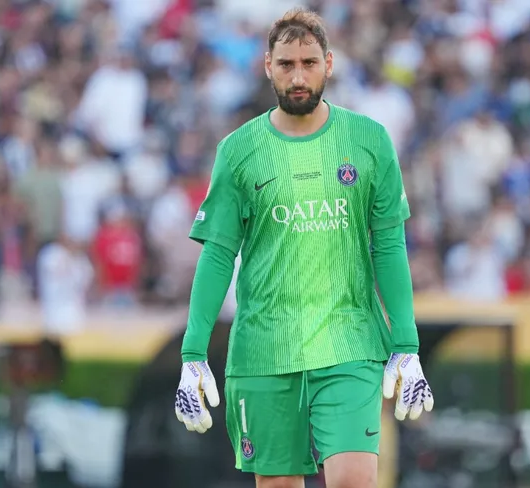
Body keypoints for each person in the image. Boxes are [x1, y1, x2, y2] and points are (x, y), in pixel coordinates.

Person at [173, 7, 434, 488]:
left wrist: (406, 345)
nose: (298, 76)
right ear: (267, 66)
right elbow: (217, 254)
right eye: (287, 64)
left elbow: (389, 244)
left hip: (349, 343)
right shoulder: (239, 150)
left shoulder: (369, 140)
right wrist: (193, 353)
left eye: (309, 63)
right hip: (265, 349)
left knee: (354, 480)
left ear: (328, 64)